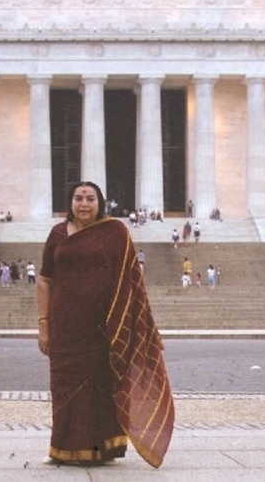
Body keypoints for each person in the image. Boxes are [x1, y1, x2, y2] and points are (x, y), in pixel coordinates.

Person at [37, 181, 174, 468]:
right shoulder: (57, 234)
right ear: (70, 203)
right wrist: (43, 324)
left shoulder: (115, 233)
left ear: (100, 203)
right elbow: (45, 280)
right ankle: (63, 447)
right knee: (64, 386)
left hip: (103, 325)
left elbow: (130, 277)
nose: (84, 204)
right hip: (64, 323)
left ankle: (103, 447)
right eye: (78, 198)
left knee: (100, 385)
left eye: (90, 198)